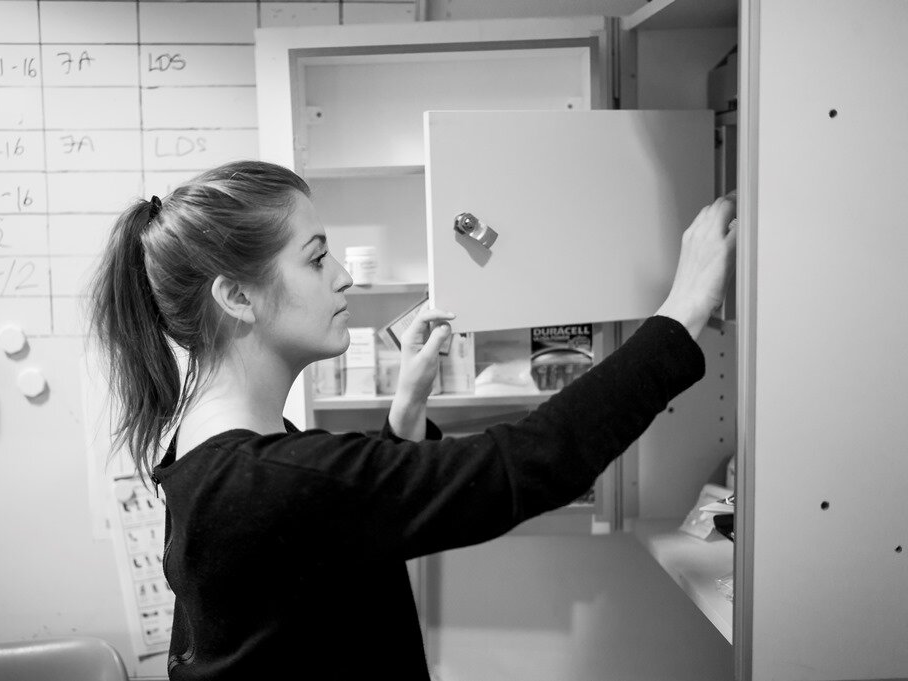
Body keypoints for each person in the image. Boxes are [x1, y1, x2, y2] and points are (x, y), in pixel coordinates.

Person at [89, 160, 736, 680]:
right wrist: (681, 313)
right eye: (316, 258)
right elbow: (527, 463)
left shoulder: (208, 455)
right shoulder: (265, 482)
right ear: (236, 295)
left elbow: (334, 531)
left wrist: (405, 413)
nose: (344, 276)